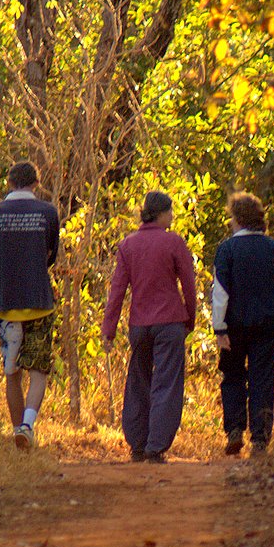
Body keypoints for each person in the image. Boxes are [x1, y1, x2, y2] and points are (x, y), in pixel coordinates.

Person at [101, 191, 197, 463]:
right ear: (161, 213)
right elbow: (189, 286)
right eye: (170, 212)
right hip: (169, 323)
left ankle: (137, 445)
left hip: (140, 325)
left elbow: (117, 291)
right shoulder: (174, 242)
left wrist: (109, 329)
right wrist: (190, 318)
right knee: (166, 383)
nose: (173, 217)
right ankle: (156, 447)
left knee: (138, 381)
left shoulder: (128, 245)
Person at [210, 192, 274, 456]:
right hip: (267, 325)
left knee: (233, 375)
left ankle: (234, 430)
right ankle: (260, 439)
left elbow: (221, 293)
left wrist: (219, 328)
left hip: (234, 325)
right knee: (262, 377)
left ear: (236, 219)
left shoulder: (227, 249)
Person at [0, 161, 60, 450]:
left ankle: (18, 432)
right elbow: (51, 256)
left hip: (6, 303)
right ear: (36, 184)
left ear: (9, 182)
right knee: (38, 370)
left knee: (11, 372)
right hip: (39, 302)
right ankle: (27, 425)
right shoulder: (48, 213)